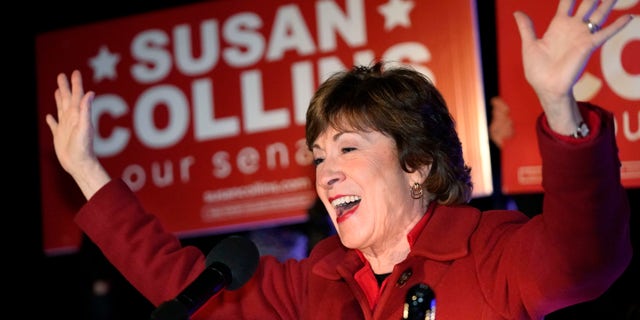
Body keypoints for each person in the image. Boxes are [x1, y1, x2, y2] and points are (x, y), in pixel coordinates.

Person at [45, 0, 634, 319]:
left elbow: (584, 258)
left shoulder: (489, 253)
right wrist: (86, 173)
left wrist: (560, 106)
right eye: (319, 155)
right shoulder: (314, 285)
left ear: (417, 164)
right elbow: (181, 284)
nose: (326, 171)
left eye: (349, 148)